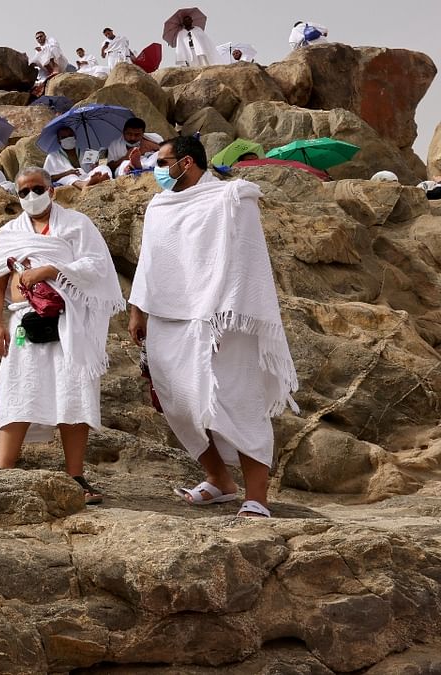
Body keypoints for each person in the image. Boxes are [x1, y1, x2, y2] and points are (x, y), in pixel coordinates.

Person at [128, 137, 298, 519]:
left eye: (163, 161)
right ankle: (219, 480)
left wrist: (225, 317)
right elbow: (149, 261)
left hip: (222, 320)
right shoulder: (159, 205)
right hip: (167, 319)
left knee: (238, 402)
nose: (157, 170)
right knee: (180, 403)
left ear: (187, 162)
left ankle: (257, 497)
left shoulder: (232, 199)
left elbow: (246, 263)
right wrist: (137, 311)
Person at [0, 167, 123, 503]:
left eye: (37, 189)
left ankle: (76, 476)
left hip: (69, 321)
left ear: (52, 190)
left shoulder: (77, 225)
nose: (31, 196)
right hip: (24, 321)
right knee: (17, 387)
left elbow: (98, 266)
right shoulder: (10, 232)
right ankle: (3, 468)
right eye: (24, 192)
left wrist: (52, 269)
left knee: (72, 392)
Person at [44, 127, 111, 190]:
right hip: (70, 180)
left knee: (103, 167)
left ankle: (105, 180)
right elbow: (47, 178)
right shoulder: (52, 156)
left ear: (75, 137)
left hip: (88, 177)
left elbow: (92, 167)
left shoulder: (85, 152)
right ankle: (84, 185)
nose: (68, 138)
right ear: (59, 141)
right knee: (70, 177)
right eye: (64, 137)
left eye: (70, 135)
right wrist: (67, 173)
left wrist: (96, 165)